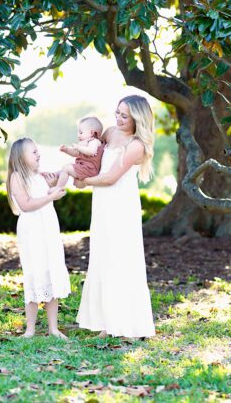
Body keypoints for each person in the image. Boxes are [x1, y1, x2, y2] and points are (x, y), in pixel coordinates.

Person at [74, 95, 156, 338]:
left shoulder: (136, 145)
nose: (118, 118)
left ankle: (123, 323)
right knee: (103, 256)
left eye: (124, 115)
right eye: (117, 112)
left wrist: (83, 182)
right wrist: (77, 168)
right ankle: (105, 321)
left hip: (121, 204)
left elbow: (110, 177)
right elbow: (92, 156)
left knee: (120, 259)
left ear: (137, 119)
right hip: (102, 203)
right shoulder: (109, 132)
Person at [7, 138, 71, 338]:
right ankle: (30, 329)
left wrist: (58, 178)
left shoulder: (41, 177)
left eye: (38, 151)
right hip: (32, 229)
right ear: (21, 157)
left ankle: (53, 328)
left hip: (48, 227)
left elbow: (65, 173)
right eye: (33, 152)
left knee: (51, 270)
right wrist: (51, 197)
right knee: (35, 272)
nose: (38, 155)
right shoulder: (17, 177)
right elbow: (26, 205)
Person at [49, 116, 105, 194]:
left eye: (81, 132)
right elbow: (76, 153)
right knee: (65, 168)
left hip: (89, 170)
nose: (78, 135)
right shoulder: (85, 143)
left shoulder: (94, 142)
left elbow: (92, 151)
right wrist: (66, 150)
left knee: (66, 168)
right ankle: (53, 177)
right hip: (83, 168)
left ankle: (58, 189)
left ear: (92, 133)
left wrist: (78, 147)